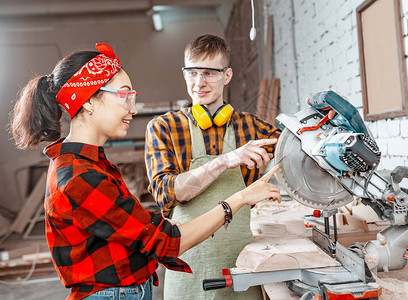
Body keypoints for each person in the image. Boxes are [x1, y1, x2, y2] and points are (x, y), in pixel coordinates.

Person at [9, 43, 281, 300]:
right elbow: (169, 242)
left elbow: (129, 228)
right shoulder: (80, 176)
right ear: (89, 101)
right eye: (125, 95)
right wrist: (241, 198)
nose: (133, 108)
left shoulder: (91, 164)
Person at [145, 34, 281, 300]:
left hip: (241, 267)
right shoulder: (163, 128)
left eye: (209, 73)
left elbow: (293, 147)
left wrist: (318, 131)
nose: (199, 82)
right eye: (192, 72)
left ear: (227, 75)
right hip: (188, 273)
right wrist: (228, 159)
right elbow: (168, 192)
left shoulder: (250, 127)